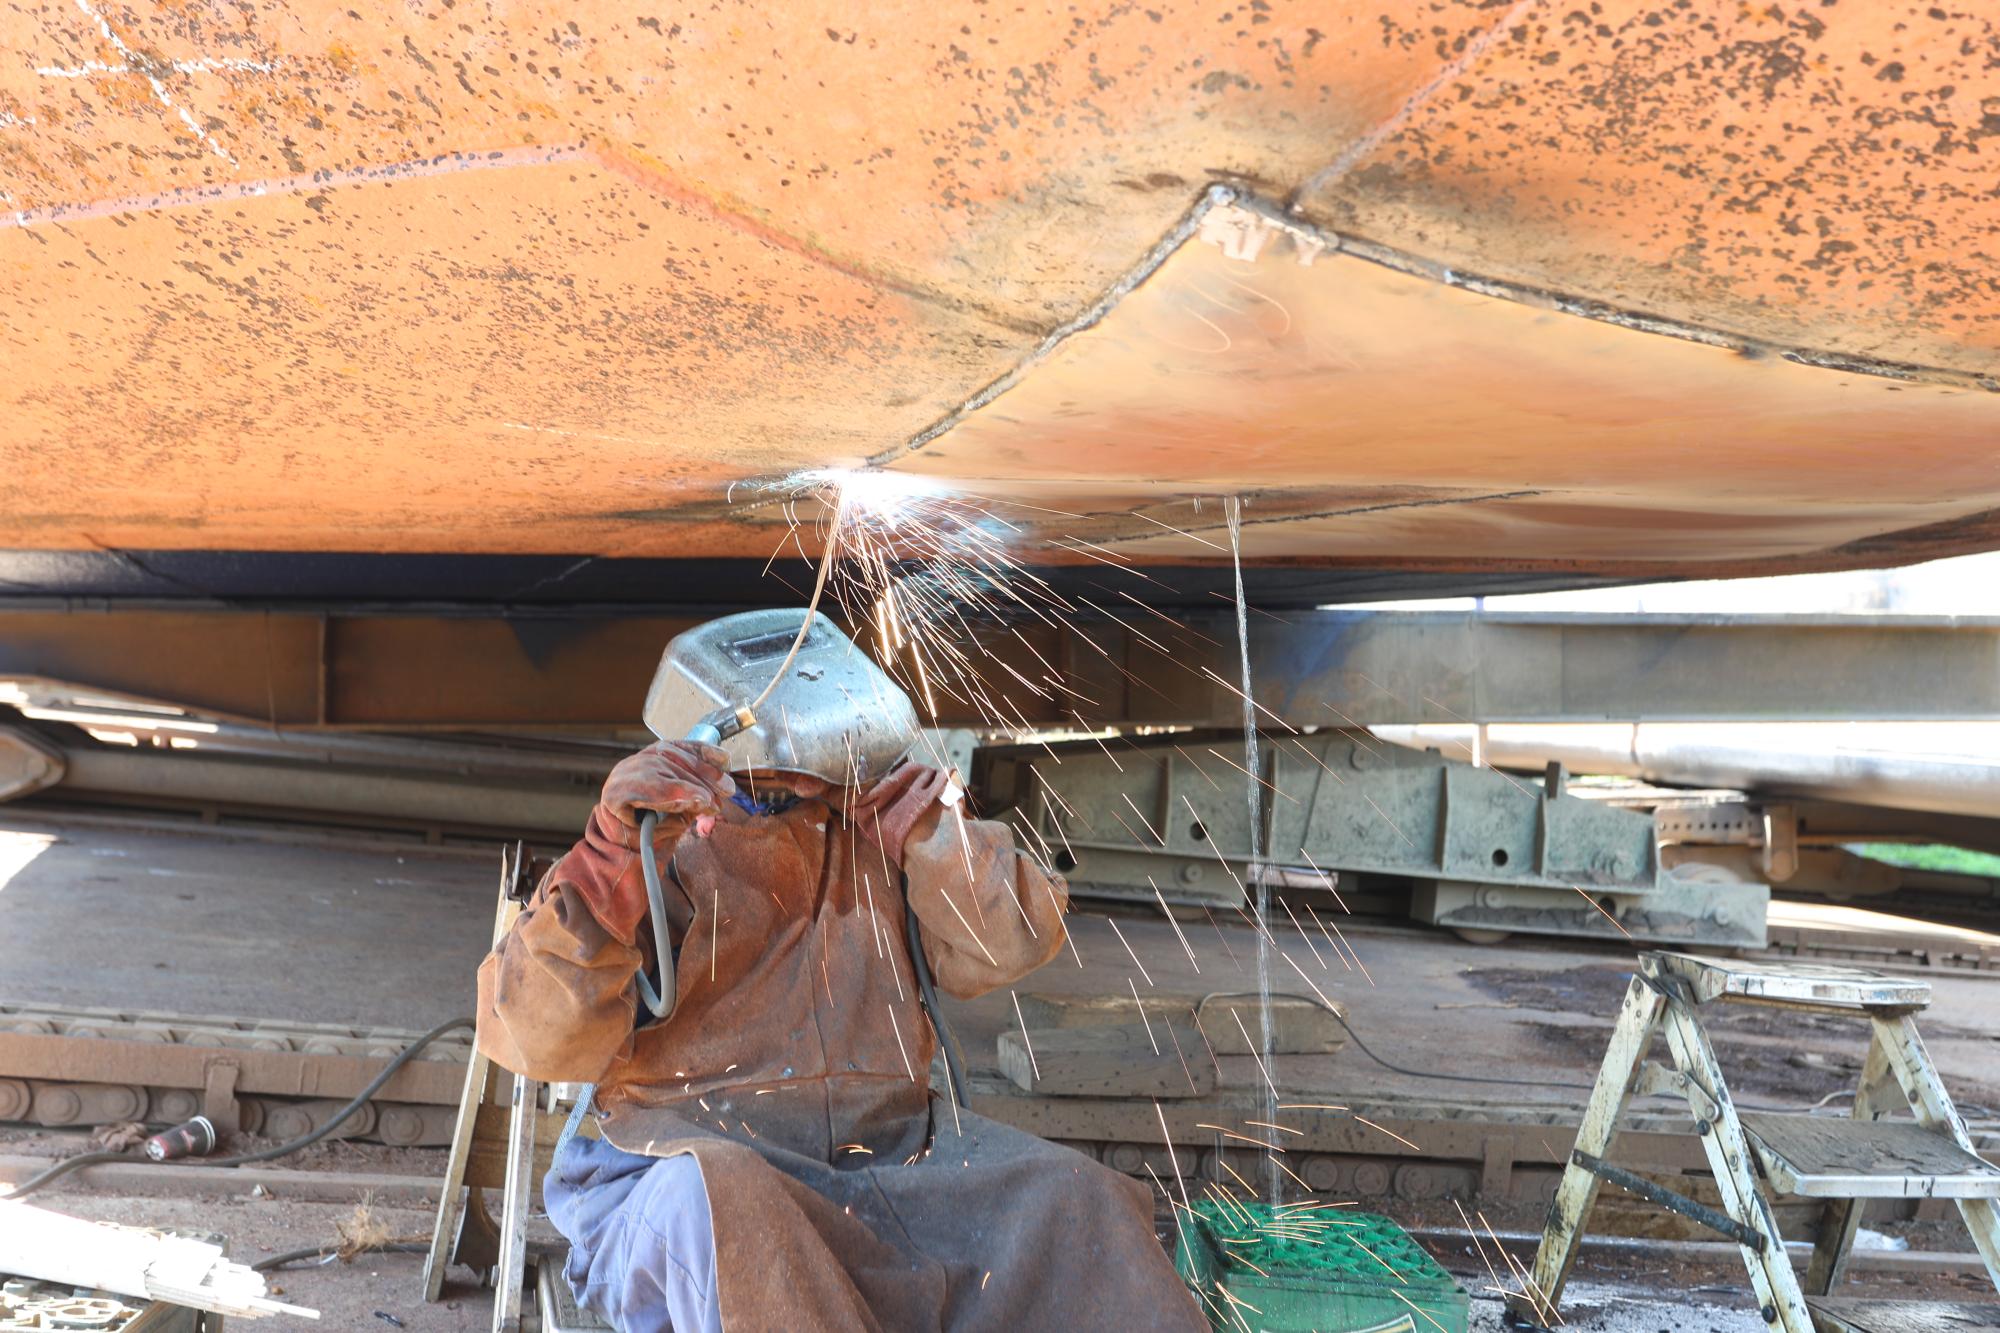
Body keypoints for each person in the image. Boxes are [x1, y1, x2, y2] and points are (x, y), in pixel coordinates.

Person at [475, 611, 1204, 1332]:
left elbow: (1015, 939)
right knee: (729, 1203)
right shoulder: (652, 844)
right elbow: (535, 1039)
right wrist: (607, 864)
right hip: (677, 1163)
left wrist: (934, 837)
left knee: (1080, 1200)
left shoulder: (875, 829)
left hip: (892, 1159)